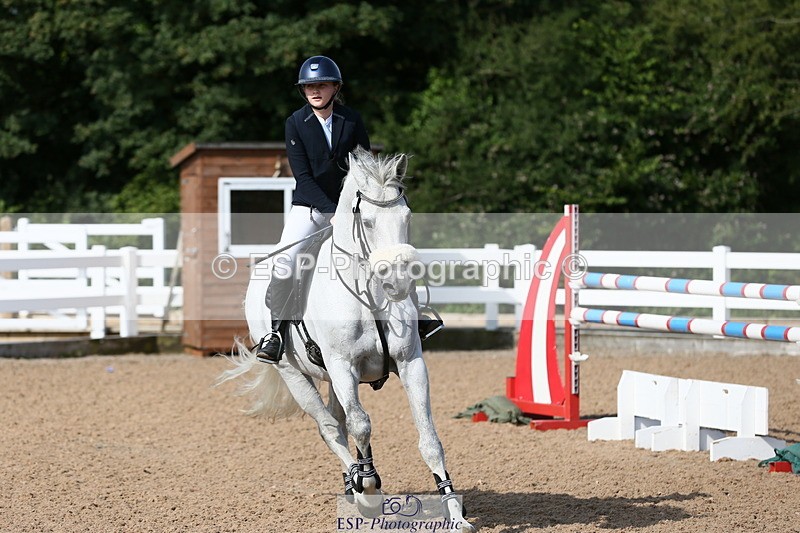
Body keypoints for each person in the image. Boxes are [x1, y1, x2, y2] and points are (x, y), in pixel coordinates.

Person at [256, 55, 443, 364]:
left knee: (390, 252)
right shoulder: (295, 123)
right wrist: (332, 211)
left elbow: (366, 168)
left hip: (353, 210)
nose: (314, 91)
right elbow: (302, 177)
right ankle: (276, 333)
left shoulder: (352, 120)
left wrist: (356, 209)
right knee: (285, 260)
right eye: (308, 86)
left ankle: (417, 317)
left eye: (321, 85)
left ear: (335, 87)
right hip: (310, 209)